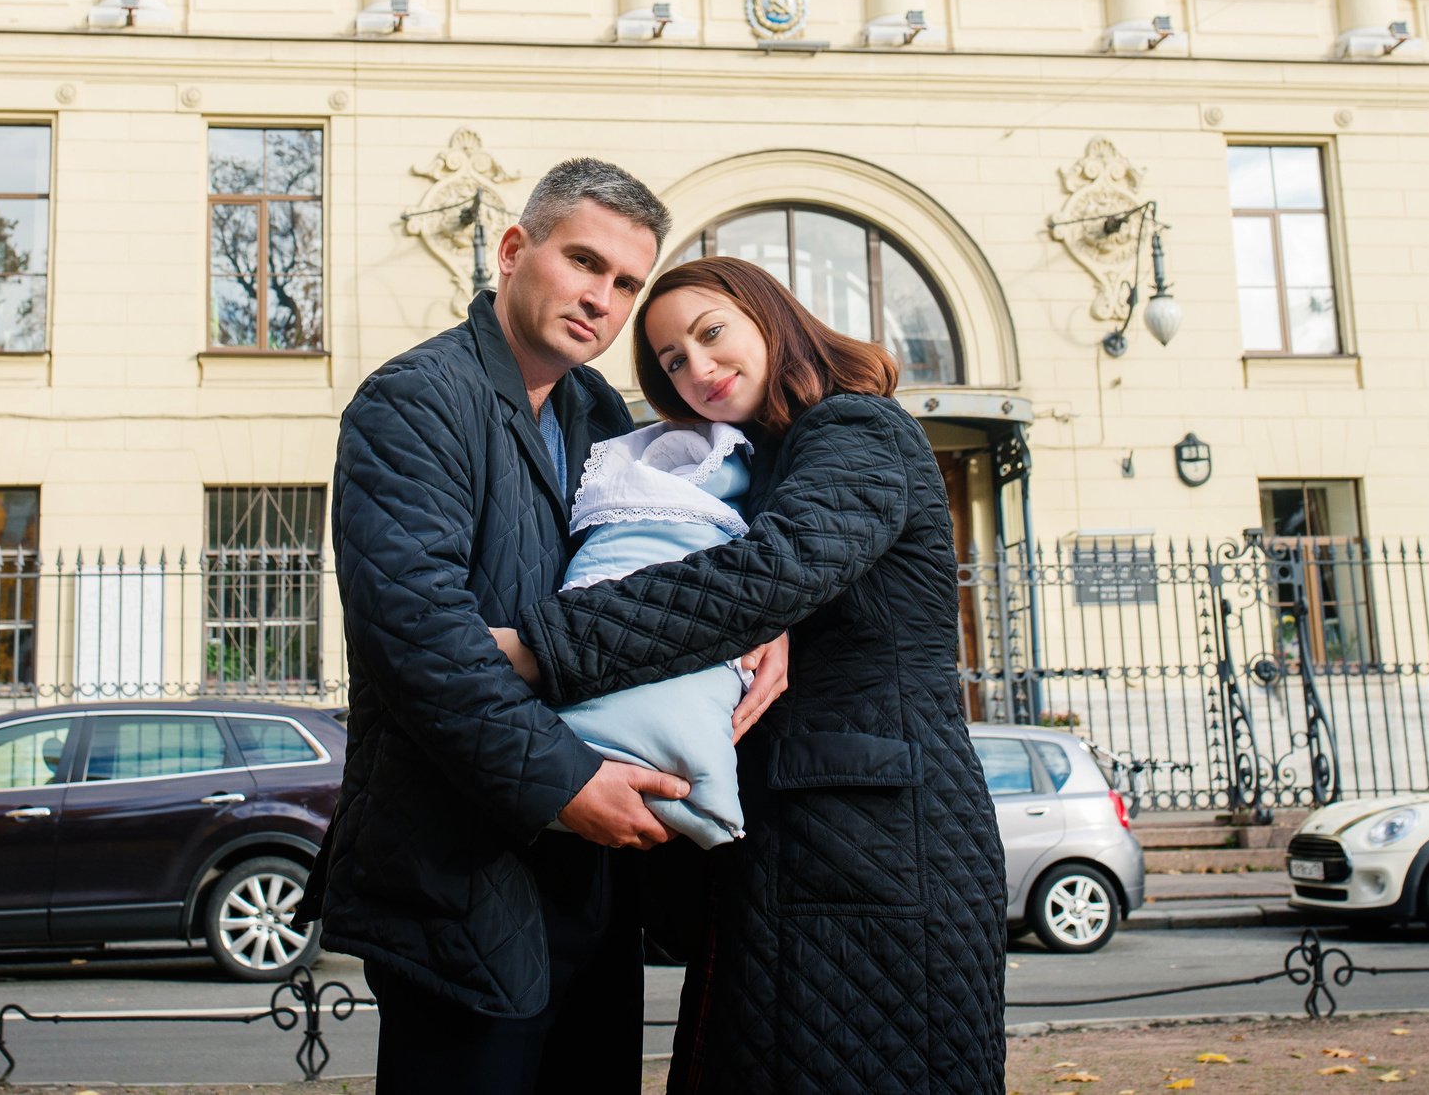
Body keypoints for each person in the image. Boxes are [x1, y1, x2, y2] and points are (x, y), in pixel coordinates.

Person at [320, 159, 786, 1095]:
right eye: (585, 262)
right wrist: (569, 781)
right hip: (462, 874)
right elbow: (418, 641)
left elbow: (667, 558)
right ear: (512, 249)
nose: (602, 299)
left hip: (595, 878)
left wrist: (769, 621)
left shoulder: (600, 414)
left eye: (625, 284)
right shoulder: (414, 401)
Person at [498, 255, 1008, 1095]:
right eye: (670, 360)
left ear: (769, 316)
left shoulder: (857, 428)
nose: (697, 368)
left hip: (873, 849)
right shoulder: (769, 460)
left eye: (710, 333)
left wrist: (539, 645)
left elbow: (769, 573)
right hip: (808, 848)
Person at [549, 419, 758, 848]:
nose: (702, 372)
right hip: (533, 790)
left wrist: (774, 617)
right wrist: (554, 780)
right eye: (673, 361)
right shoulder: (601, 423)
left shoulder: (595, 410)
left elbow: (801, 562)